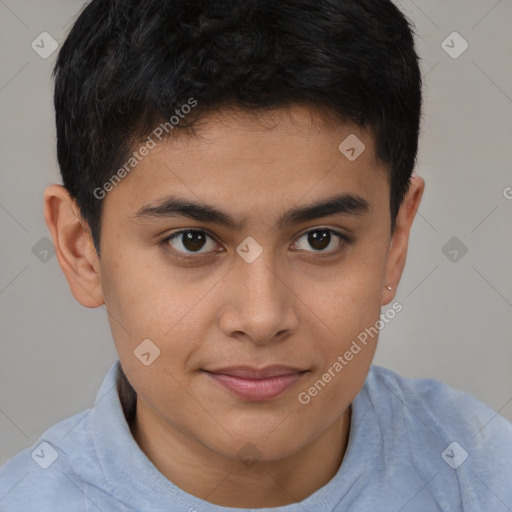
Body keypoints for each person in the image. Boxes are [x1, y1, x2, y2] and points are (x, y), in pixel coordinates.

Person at [1, 0, 511, 510]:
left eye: (320, 239)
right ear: (81, 249)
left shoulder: (485, 477)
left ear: (395, 241)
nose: (262, 318)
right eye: (192, 241)